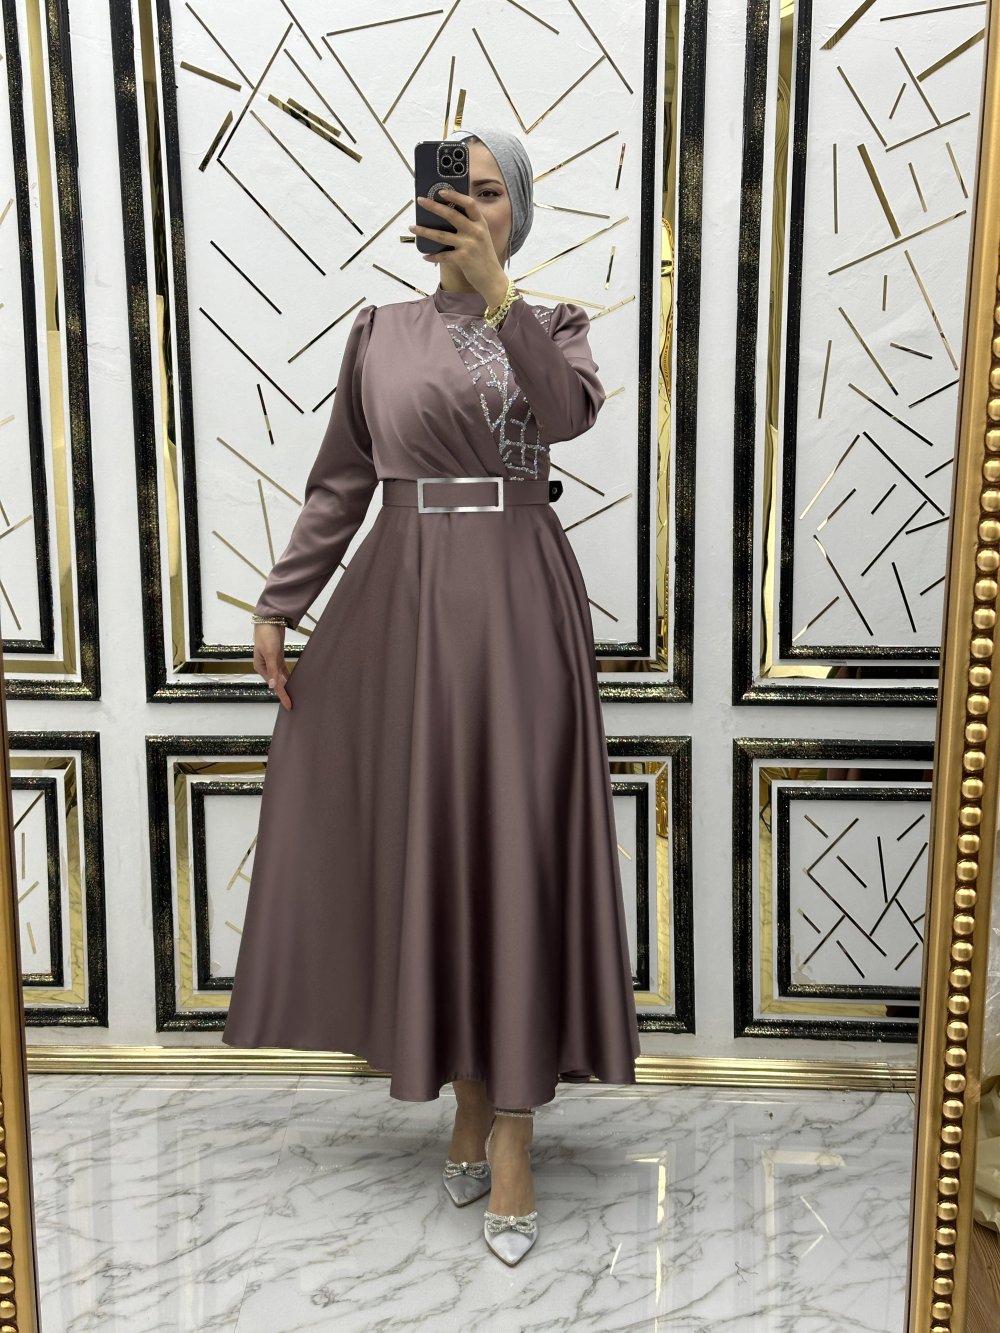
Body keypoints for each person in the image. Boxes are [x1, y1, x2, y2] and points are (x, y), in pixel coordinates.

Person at [222, 126, 641, 1265]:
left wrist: (502, 298)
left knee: (515, 850)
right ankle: (467, 1094)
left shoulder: (552, 327)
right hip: (399, 608)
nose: (472, 209)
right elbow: (340, 481)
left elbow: (566, 417)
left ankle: (514, 1131)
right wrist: (278, 604)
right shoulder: (379, 331)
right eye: (458, 191)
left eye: (494, 193)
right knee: (436, 849)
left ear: (519, 212)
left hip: (517, 603)